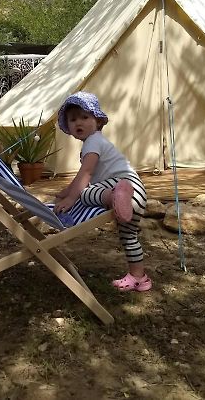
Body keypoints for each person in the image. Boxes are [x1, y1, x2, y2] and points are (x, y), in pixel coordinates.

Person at [54, 91, 151, 292]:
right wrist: (66, 191)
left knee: (85, 192)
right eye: (72, 119)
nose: (78, 122)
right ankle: (139, 277)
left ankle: (113, 196)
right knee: (129, 237)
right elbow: (82, 175)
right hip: (137, 194)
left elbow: (86, 172)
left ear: (98, 121)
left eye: (84, 117)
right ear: (69, 127)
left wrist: (72, 196)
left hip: (123, 185)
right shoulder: (97, 141)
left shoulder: (93, 142)